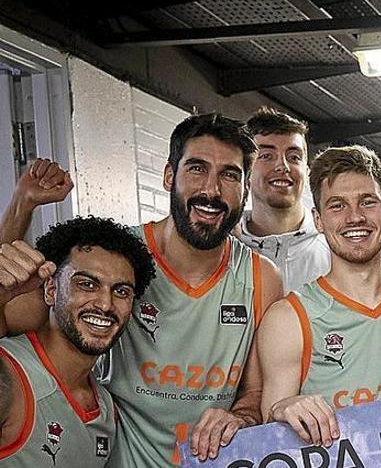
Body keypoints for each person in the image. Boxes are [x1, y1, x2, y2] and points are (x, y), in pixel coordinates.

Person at [0, 113, 284, 466]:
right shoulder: (118, 259)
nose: (211, 190)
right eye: (196, 169)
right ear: (169, 176)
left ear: (245, 190)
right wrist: (22, 204)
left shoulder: (261, 277)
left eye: (230, 175)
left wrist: (239, 418)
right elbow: (9, 310)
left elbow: (254, 391)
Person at [257, 145, 381, 447]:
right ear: (319, 219)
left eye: (367, 202)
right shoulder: (288, 319)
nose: (355, 217)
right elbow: (271, 441)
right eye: (337, 206)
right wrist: (282, 410)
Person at [0, 217, 154, 466]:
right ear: (51, 290)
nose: (105, 304)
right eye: (87, 284)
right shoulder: (11, 373)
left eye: (121, 291)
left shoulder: (104, 407)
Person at [240, 107, 331, 292]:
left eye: (294, 157)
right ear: (245, 170)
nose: (282, 166)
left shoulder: (336, 250)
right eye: (266, 156)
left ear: (307, 171)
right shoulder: (223, 249)